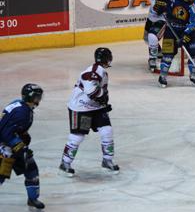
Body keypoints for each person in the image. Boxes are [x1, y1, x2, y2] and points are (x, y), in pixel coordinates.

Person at [59, 48, 119, 176]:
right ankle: (65, 163)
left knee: (107, 130)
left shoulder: (100, 71)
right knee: (77, 136)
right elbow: (92, 92)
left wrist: (103, 101)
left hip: (96, 107)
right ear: (107, 59)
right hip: (81, 108)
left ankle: (107, 160)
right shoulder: (93, 71)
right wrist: (103, 96)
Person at [0, 84, 45, 209]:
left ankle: (32, 199)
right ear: (30, 97)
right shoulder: (22, 112)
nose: (39, 99)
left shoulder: (20, 105)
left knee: (31, 170)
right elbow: (6, 133)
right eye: (37, 97)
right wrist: (21, 148)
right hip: (5, 147)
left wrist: (23, 136)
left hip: (13, 145)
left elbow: (12, 128)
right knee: (1, 174)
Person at [155, 0, 195, 87]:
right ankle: (162, 76)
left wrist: (185, 35)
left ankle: (193, 75)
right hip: (171, 29)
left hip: (188, 30)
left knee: (194, 52)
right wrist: (159, 3)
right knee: (168, 54)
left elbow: (194, 23)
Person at [144, 0, 176, 71]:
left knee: (152, 37)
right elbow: (153, 0)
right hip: (151, 18)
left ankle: (152, 58)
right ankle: (159, 52)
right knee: (146, 39)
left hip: (162, 19)